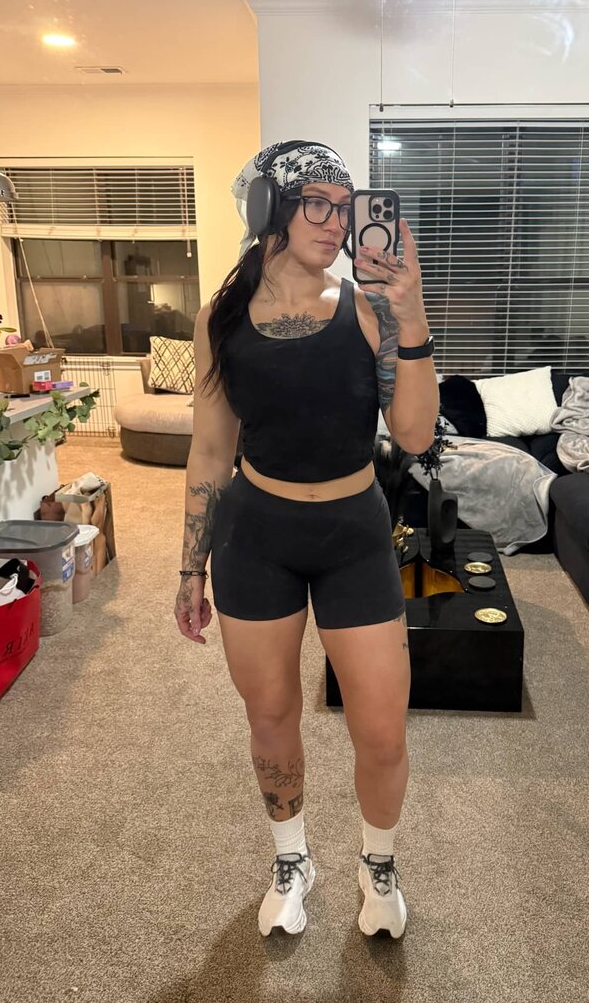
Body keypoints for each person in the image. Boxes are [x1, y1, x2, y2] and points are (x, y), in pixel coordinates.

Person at [174, 140, 438, 939]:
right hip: (257, 537)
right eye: (316, 202)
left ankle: (377, 863)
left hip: (354, 533)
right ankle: (292, 859)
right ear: (271, 208)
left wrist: (412, 313)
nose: (335, 221)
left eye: (344, 205)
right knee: (271, 713)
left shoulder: (368, 308)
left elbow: (415, 435)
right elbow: (211, 449)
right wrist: (190, 567)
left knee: (382, 727)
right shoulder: (221, 318)